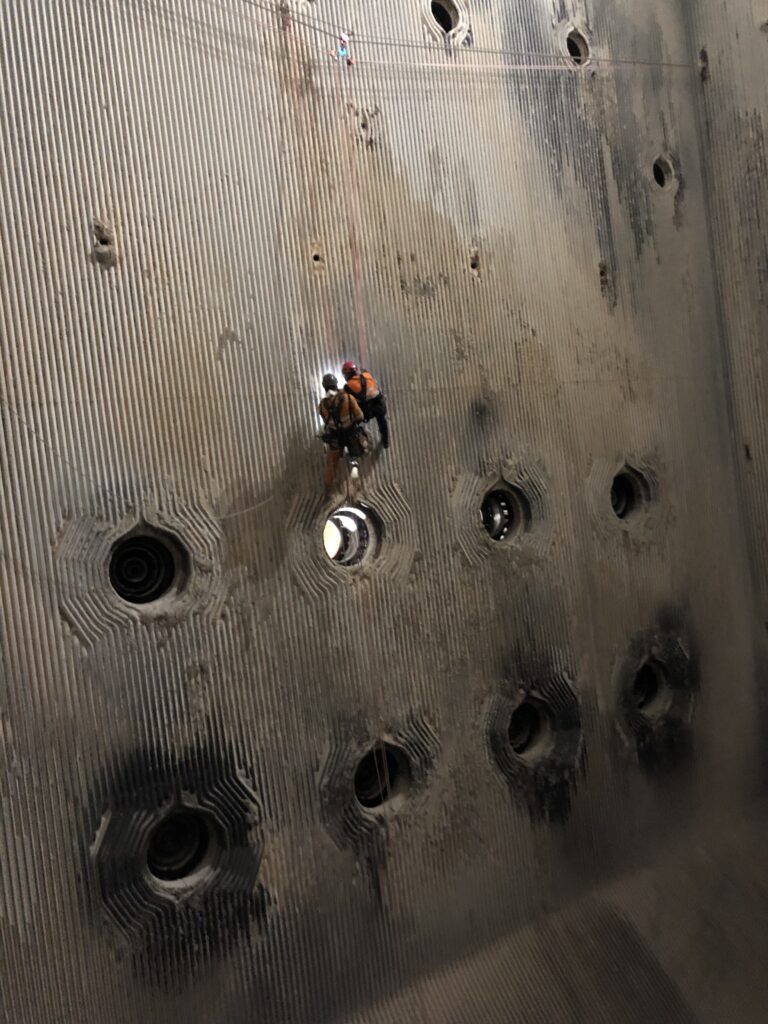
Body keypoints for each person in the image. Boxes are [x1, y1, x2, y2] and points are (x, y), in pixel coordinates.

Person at [318, 373, 368, 494]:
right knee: (356, 456)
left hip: (336, 438)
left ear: (324, 387)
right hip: (351, 435)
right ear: (336, 385)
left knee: (332, 464)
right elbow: (360, 416)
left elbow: (327, 422)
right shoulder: (348, 398)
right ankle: (356, 482)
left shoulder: (322, 405)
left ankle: (328, 489)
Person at [341, 361, 390, 449]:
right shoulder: (367, 375)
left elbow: (348, 401)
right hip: (379, 407)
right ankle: (385, 442)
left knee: (350, 423)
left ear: (346, 375)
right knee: (382, 420)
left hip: (365, 413)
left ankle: (359, 445)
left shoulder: (347, 387)